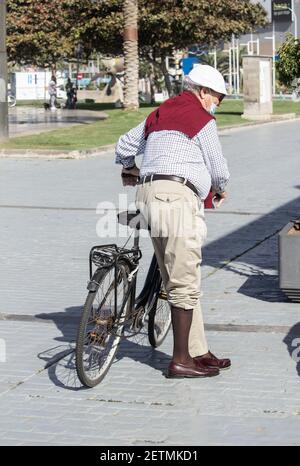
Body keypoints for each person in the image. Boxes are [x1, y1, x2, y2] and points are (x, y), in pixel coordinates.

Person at [115, 65, 231, 378]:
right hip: (178, 199)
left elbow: (125, 145)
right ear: (204, 92)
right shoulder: (201, 119)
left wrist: (130, 169)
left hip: (147, 196)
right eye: (217, 98)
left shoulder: (159, 113)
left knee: (178, 276)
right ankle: (181, 361)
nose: (216, 104)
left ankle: (198, 351)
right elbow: (217, 166)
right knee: (185, 281)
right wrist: (220, 189)